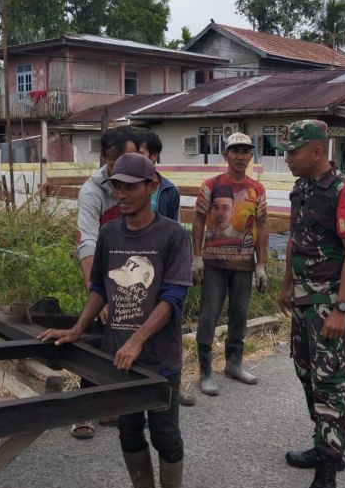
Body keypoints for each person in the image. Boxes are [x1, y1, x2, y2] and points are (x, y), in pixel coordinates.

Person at [40, 153, 192, 488]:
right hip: (118, 356)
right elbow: (100, 289)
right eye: (117, 186)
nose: (121, 193)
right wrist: (76, 330)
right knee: (128, 429)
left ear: (151, 187)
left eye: (130, 186)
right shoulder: (110, 233)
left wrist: (139, 340)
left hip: (159, 357)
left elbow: (173, 298)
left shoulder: (173, 236)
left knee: (165, 432)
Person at [276, 119, 345, 488]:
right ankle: (323, 445)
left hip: (328, 304)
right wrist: (286, 284)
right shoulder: (302, 189)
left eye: (293, 151)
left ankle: (327, 484)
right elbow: (296, 239)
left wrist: (342, 308)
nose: (287, 158)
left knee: (329, 385)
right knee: (306, 376)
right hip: (302, 301)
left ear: (317, 151)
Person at [71, 127, 139, 439]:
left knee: (127, 331)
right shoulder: (92, 192)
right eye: (113, 160)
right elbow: (86, 244)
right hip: (99, 270)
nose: (118, 166)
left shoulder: (141, 182)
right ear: (105, 158)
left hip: (133, 270)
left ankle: (115, 401)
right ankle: (84, 409)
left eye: (125, 158)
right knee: (94, 334)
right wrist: (96, 293)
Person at [192, 132, 268, 396]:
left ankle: (234, 364)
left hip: (244, 264)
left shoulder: (256, 189)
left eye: (245, 151)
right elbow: (199, 220)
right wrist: (197, 256)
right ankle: (205, 371)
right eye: (234, 151)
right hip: (214, 262)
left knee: (239, 314)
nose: (240, 156)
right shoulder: (211, 185)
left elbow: (262, 226)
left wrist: (261, 265)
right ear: (225, 154)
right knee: (209, 315)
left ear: (251, 156)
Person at [136, 130, 197, 408]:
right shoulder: (125, 186)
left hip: (161, 267)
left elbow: (172, 229)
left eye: (142, 154)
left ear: (154, 156)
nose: (136, 159)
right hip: (131, 267)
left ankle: (172, 385)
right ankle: (136, 389)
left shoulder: (169, 190)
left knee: (169, 325)